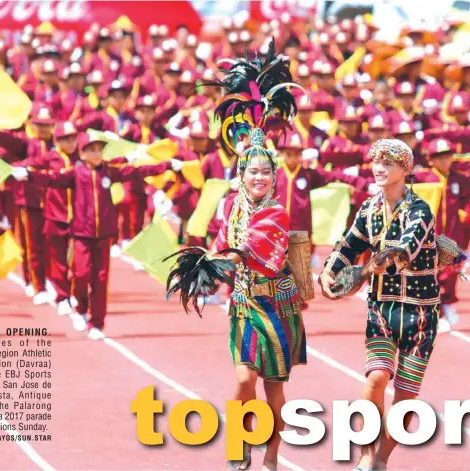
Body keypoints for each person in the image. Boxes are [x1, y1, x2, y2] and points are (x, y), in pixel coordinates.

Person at [164, 41, 307, 471]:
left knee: (275, 392)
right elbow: (223, 245)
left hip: (278, 305)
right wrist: (204, 265)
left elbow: (255, 253)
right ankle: (240, 444)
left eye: (266, 171)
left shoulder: (279, 212)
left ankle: (272, 455)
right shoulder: (230, 207)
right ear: (241, 175)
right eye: (252, 171)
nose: (259, 177)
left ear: (273, 176)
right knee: (244, 383)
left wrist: (216, 261)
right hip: (244, 306)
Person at [319, 138, 440, 471]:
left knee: (405, 397)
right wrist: (329, 273)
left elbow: (405, 250)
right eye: (376, 162)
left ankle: (382, 460)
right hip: (382, 309)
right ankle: (365, 456)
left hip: (420, 313)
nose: (380, 169)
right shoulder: (369, 208)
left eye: (388, 163)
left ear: (405, 170)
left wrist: (370, 267)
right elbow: (347, 245)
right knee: (376, 377)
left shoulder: (419, 210)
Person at [11, 132, 178, 339]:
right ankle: (80, 308)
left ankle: (97, 324)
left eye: (99, 149)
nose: (97, 153)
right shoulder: (75, 173)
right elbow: (52, 179)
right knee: (80, 274)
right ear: (82, 153)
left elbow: (137, 171)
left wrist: (167, 165)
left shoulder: (108, 171)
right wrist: (28, 175)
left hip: (104, 236)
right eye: (92, 149)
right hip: (81, 233)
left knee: (100, 280)